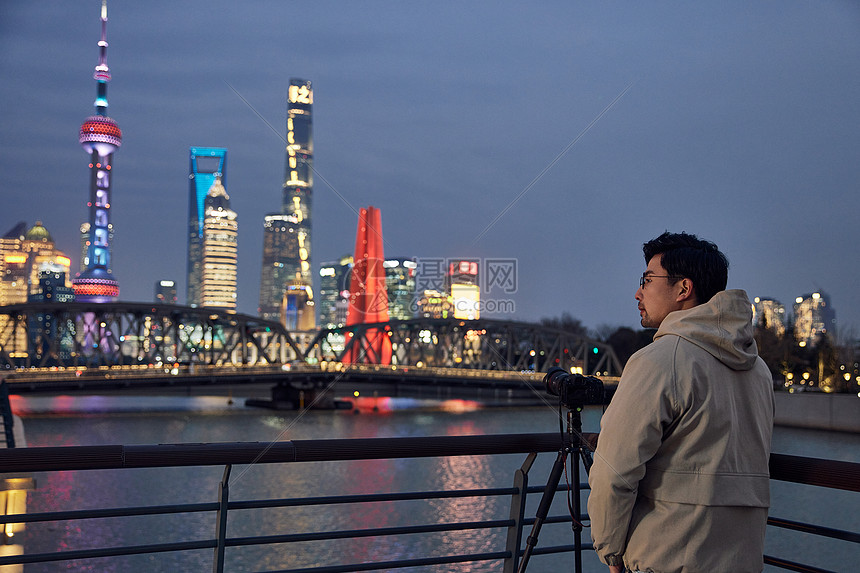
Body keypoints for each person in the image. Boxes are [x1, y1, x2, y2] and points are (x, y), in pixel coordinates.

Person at [588, 231, 774, 573]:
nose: (638, 292)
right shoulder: (759, 369)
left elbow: (614, 472)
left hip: (667, 558)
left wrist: (611, 552)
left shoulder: (659, 360)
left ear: (683, 289)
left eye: (647, 279)